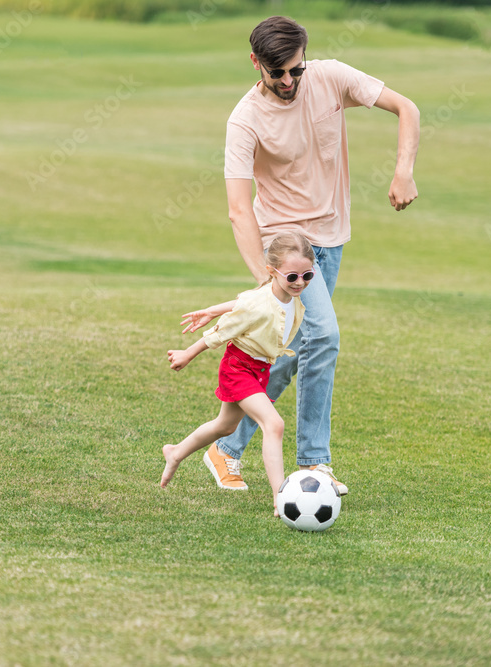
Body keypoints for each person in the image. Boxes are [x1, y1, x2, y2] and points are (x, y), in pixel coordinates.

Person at [197, 16, 420, 495]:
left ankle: (226, 447)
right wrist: (266, 275)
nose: (287, 82)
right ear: (256, 63)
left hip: (332, 240)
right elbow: (239, 209)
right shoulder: (245, 119)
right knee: (326, 334)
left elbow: (406, 107)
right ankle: (315, 464)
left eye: (295, 71)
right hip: (286, 243)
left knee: (293, 352)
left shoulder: (330, 77)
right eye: (276, 72)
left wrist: (404, 171)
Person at [160, 232, 314, 515]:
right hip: (239, 368)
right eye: (292, 277)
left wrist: (211, 309)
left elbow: (243, 301)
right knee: (274, 424)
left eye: (308, 276)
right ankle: (281, 497)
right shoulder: (262, 302)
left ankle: (175, 452)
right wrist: (188, 353)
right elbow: (224, 330)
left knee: (225, 426)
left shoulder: (284, 296)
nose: (300, 283)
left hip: (260, 369)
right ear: (272, 272)